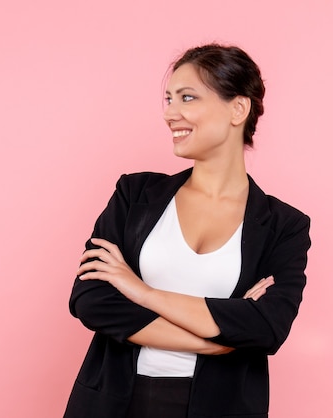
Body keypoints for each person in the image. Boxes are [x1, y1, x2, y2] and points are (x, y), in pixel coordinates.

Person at [64, 44, 311, 418]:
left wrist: (141, 292)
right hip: (113, 403)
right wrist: (217, 340)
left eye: (187, 97)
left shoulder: (284, 226)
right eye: (168, 98)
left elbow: (266, 328)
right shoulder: (135, 194)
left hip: (221, 407)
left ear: (238, 109)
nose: (169, 113)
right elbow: (91, 299)